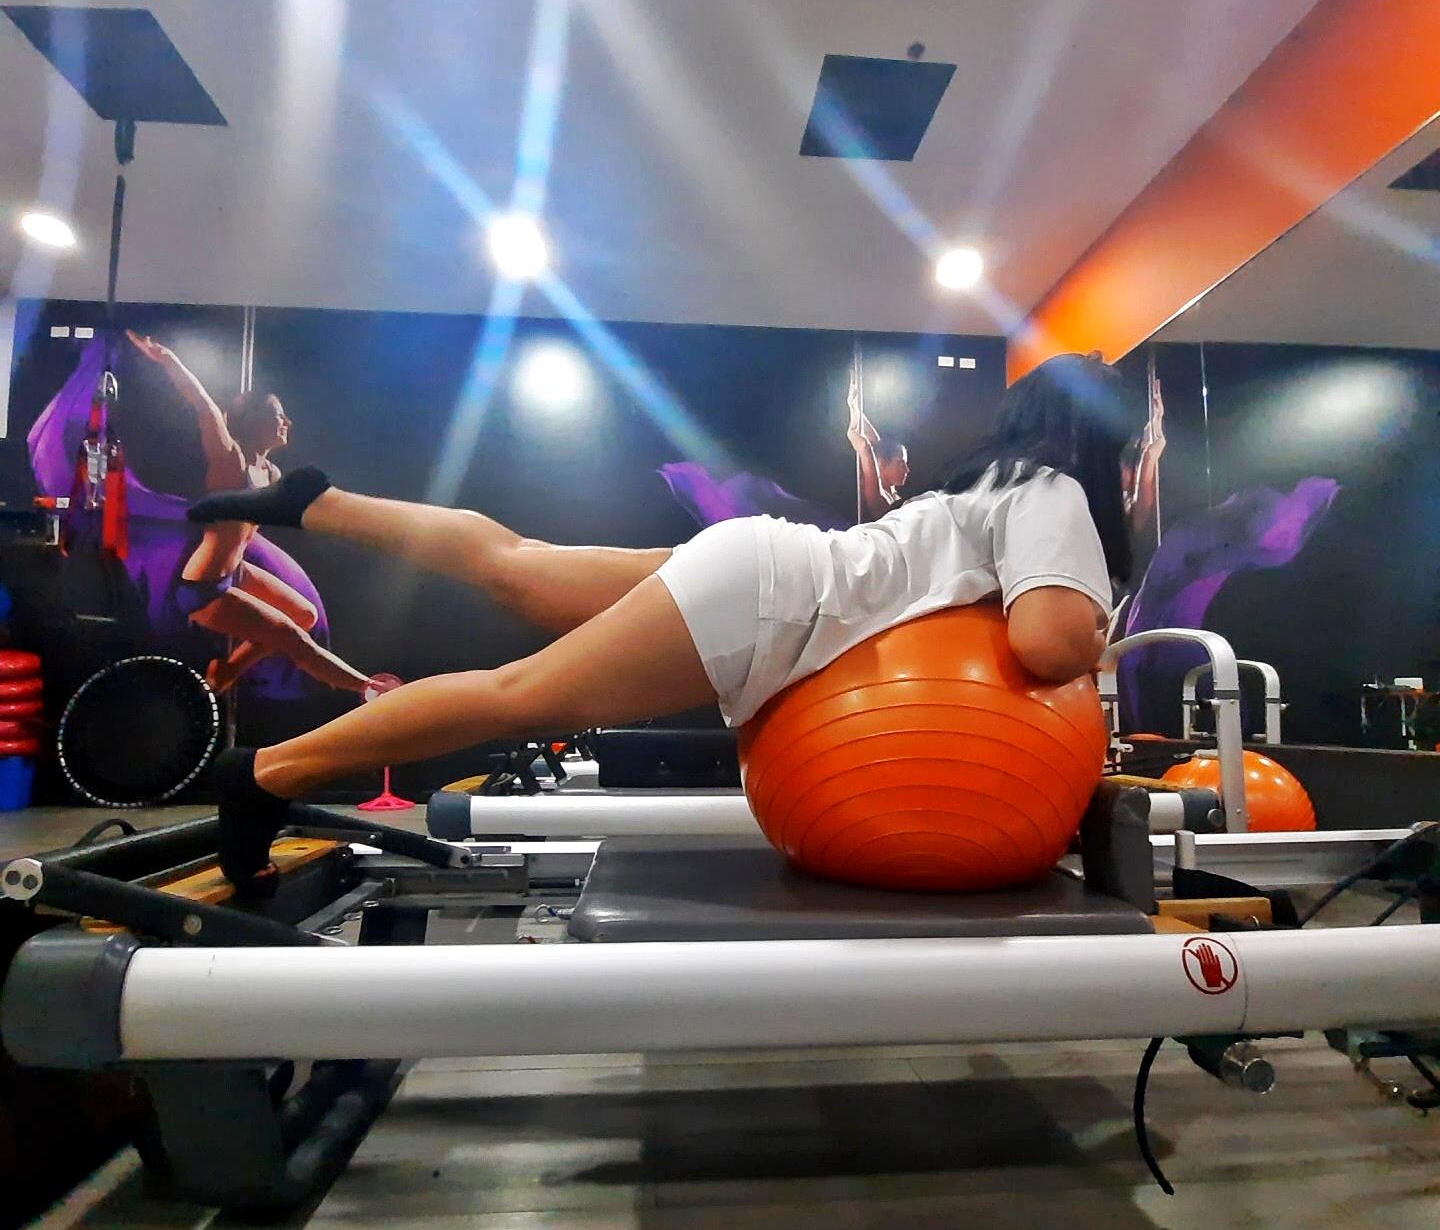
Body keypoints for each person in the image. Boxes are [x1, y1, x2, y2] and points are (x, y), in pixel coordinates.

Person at [191, 351, 1140, 887]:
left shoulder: (982, 483)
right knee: (517, 695)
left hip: (765, 566)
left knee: (518, 564)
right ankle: (267, 773)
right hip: (771, 598)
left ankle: (320, 502)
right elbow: (1045, 639)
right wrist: (1100, 629)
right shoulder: (1052, 491)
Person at [126, 333, 375, 696]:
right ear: (256, 421)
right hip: (203, 587)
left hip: (237, 573)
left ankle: (227, 671)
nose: (287, 421)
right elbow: (204, 407)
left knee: (305, 616)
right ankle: (367, 687)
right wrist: (168, 359)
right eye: (278, 415)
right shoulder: (231, 463)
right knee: (290, 636)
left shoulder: (271, 473)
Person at [846, 367, 910, 520]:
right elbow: (866, 447)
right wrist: (852, 419)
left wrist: (855, 407)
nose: (907, 470)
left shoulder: (893, 497)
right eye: (901, 463)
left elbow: (875, 443)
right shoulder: (880, 500)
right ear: (881, 463)